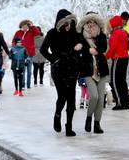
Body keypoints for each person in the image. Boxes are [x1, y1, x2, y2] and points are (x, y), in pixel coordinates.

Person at [40, 9, 83, 137]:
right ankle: (57, 115)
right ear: (60, 22)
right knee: (62, 96)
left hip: (72, 69)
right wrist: (54, 59)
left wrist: (80, 46)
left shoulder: (75, 33)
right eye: (65, 23)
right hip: (59, 69)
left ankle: (69, 126)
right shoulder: (53, 33)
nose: (68, 25)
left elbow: (83, 44)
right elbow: (43, 50)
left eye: (70, 22)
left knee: (71, 98)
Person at [77, 11, 109, 134]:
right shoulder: (81, 36)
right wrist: (87, 50)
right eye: (89, 22)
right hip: (88, 69)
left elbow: (103, 47)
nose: (91, 24)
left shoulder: (101, 34)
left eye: (93, 21)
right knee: (94, 96)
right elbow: (79, 50)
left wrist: (96, 50)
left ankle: (97, 123)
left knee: (101, 98)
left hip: (101, 68)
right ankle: (89, 117)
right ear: (85, 22)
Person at [106, 15, 129, 110]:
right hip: (125, 57)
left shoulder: (115, 33)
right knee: (122, 81)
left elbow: (113, 48)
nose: (108, 27)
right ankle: (125, 102)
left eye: (109, 25)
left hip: (118, 58)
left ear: (113, 25)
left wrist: (106, 57)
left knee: (115, 81)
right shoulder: (123, 32)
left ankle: (119, 102)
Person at [12, 20, 40, 89]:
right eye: (23, 26)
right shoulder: (18, 32)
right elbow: (13, 41)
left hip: (30, 54)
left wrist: (32, 26)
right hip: (21, 54)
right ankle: (22, 85)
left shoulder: (31, 32)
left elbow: (37, 32)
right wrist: (15, 48)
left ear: (28, 26)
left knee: (29, 71)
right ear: (21, 26)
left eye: (26, 26)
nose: (24, 28)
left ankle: (28, 85)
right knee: (23, 70)